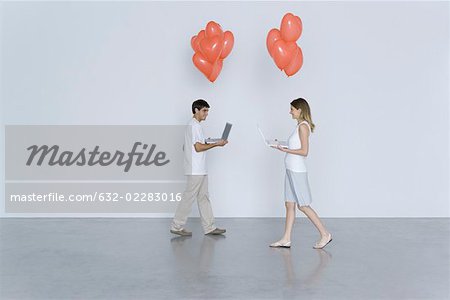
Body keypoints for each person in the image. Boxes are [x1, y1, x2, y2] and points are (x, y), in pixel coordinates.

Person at [269, 98, 332, 249]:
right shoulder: (298, 126)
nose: (290, 112)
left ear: (300, 110)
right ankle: (286, 239)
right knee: (289, 204)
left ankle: (325, 234)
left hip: (297, 171)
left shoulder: (303, 127)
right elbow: (296, 146)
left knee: (303, 206)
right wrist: (282, 145)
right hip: (290, 170)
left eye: (292, 109)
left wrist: (286, 150)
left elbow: (304, 152)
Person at [170, 99, 228, 236]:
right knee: (189, 197)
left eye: (207, 111)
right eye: (204, 111)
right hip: (195, 169)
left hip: (200, 168)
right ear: (196, 110)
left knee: (203, 197)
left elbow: (189, 146)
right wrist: (217, 144)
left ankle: (209, 227)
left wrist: (210, 141)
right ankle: (176, 226)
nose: (206, 114)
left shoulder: (194, 126)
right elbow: (198, 147)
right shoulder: (194, 126)